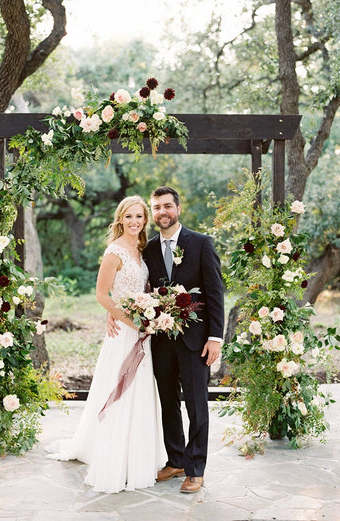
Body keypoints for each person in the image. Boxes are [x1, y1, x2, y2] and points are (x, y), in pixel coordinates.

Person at [45, 195, 166, 493]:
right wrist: (127, 320)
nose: (135, 222)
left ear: (145, 220)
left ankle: (137, 453)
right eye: (129, 217)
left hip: (142, 329)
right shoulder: (114, 251)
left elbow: (143, 288)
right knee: (120, 388)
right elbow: (101, 294)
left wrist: (150, 314)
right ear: (120, 219)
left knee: (140, 389)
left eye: (139, 217)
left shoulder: (141, 249)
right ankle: (114, 457)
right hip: (126, 332)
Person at [143, 186, 224, 494]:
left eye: (167, 206)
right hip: (161, 341)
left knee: (196, 406)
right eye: (156, 208)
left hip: (196, 341)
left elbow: (215, 293)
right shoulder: (148, 249)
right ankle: (175, 459)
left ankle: (195, 468)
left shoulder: (201, 243)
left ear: (178, 208)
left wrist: (215, 338)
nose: (162, 212)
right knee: (167, 403)